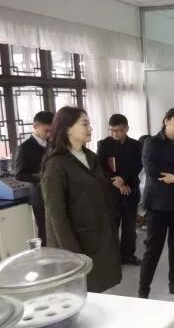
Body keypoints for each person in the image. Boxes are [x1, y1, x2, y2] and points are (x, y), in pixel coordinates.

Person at [41, 107, 121, 293]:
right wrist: (72, 256)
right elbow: (56, 215)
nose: (90, 128)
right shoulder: (56, 164)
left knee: (99, 289)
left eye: (89, 124)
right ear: (67, 128)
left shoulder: (91, 157)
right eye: (85, 124)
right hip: (77, 241)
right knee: (80, 291)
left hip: (99, 235)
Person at [139, 108, 174, 300]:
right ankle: (143, 291)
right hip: (158, 204)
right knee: (153, 249)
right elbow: (151, 169)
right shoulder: (151, 143)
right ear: (166, 121)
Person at [97, 114, 143, 266]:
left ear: (126, 129)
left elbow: (138, 165)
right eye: (112, 130)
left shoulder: (136, 145)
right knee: (112, 226)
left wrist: (124, 178)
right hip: (112, 191)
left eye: (119, 130)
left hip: (131, 190)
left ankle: (128, 255)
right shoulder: (104, 144)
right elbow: (101, 167)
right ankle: (113, 257)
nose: (115, 133)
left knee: (130, 226)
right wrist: (118, 182)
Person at [14, 111, 54, 246]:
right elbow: (19, 174)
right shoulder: (24, 148)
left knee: (58, 228)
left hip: (55, 191)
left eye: (51, 131)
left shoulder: (52, 145)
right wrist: (41, 177)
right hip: (39, 195)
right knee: (45, 229)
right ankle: (47, 256)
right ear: (35, 126)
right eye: (46, 131)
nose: (49, 134)